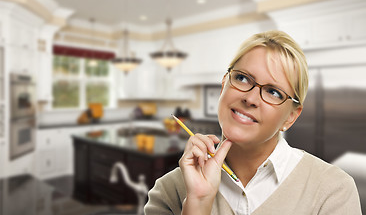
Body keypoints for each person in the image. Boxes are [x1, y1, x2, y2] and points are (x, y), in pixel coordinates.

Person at [144, 30, 362, 215]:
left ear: (291, 117)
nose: (250, 98)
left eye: (273, 92)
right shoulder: (169, 191)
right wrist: (198, 205)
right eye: (242, 78)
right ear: (223, 86)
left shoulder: (333, 191)